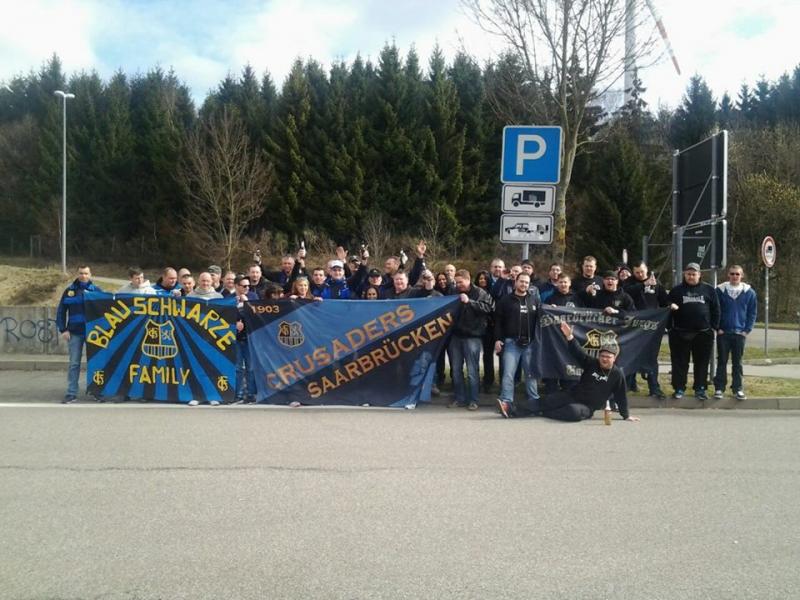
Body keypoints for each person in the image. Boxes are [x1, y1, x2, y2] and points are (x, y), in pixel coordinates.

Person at [519, 321, 640, 422]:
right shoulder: (592, 363)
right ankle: (511, 409)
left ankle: (544, 413)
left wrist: (626, 415)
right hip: (572, 395)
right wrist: (569, 337)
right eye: (602, 356)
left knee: (573, 412)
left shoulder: (617, 374)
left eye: (608, 357)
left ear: (614, 358)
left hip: (587, 407)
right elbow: (578, 352)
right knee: (548, 400)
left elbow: (621, 396)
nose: (604, 359)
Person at [667, 263, 720, 401]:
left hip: (703, 333)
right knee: (679, 363)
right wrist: (670, 328)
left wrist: (713, 327)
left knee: (702, 363)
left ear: (699, 275)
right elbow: (667, 310)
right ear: (685, 275)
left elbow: (716, 309)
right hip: (680, 333)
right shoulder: (676, 291)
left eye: (694, 274)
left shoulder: (709, 290)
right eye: (688, 274)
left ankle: (700, 388)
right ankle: (679, 388)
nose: (691, 276)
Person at [494, 272, 541, 418]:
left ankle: (535, 403)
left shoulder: (535, 300)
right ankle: (507, 402)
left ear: (529, 284)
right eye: (521, 282)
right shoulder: (505, 300)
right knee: (508, 374)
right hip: (511, 343)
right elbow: (498, 322)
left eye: (527, 283)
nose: (524, 285)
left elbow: (542, 319)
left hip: (530, 344)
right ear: (516, 282)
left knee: (531, 375)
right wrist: (497, 339)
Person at [447, 270, 494, 410]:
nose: (458, 285)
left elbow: (488, 308)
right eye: (457, 282)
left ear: (468, 280)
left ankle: (473, 399)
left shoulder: (480, 293)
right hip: (455, 335)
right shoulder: (453, 291)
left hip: (473, 336)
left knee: (472, 370)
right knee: (456, 370)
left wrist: (470, 302)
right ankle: (459, 398)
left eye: (461, 282)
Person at [56, 265, 103, 403]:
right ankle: (71, 393)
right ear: (77, 274)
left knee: (95, 363)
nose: (83, 276)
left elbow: (106, 310)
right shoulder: (69, 291)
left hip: (93, 333)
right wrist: (63, 329)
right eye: (81, 273)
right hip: (75, 333)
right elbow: (61, 311)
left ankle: (96, 391)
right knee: (74, 364)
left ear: (90, 274)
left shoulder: (97, 291)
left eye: (86, 273)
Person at [623, 261, 670, 399]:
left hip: (651, 327)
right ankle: (626, 387)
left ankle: (654, 387)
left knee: (651, 358)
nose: (640, 274)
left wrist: (669, 306)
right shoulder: (629, 283)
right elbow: (625, 293)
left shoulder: (656, 283)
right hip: (633, 327)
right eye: (637, 272)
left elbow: (663, 301)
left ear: (647, 269)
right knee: (630, 356)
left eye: (642, 272)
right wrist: (643, 285)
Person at [713, 265, 757, 401]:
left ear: (742, 275)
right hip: (723, 333)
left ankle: (737, 388)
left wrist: (747, 330)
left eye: (737, 274)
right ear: (728, 275)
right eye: (732, 274)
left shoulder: (749, 292)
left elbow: (752, 313)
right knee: (722, 361)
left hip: (739, 333)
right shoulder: (720, 291)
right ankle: (719, 388)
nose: (734, 276)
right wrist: (717, 327)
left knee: (738, 363)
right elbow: (714, 310)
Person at [232, 274, 258, 404]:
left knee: (250, 367)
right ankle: (238, 394)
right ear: (236, 286)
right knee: (238, 367)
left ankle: (251, 394)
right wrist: (234, 323)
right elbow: (221, 316)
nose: (247, 288)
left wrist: (246, 302)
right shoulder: (229, 298)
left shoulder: (253, 297)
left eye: (248, 285)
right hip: (235, 338)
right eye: (244, 286)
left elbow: (258, 315)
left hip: (249, 337)